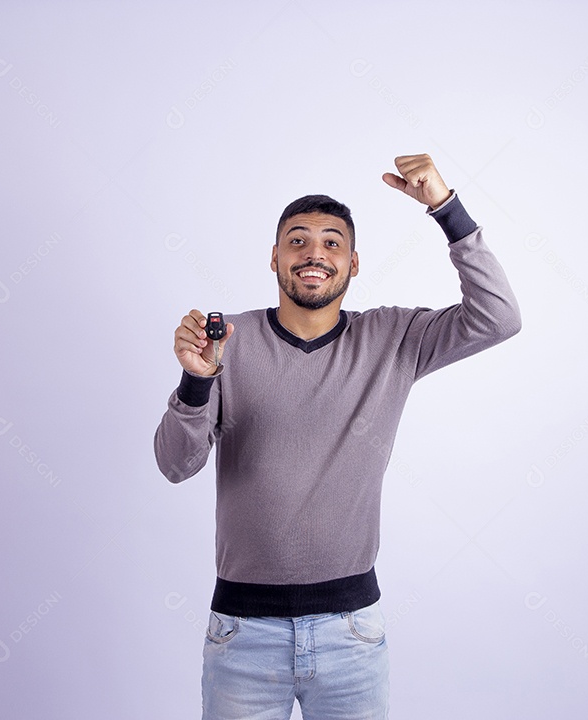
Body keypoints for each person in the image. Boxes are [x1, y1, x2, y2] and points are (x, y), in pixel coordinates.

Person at [154, 153, 521, 719]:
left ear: (353, 265)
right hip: (243, 634)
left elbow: (498, 317)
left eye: (332, 243)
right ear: (275, 258)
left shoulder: (393, 336)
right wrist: (196, 381)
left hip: (351, 634)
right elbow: (176, 465)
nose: (314, 254)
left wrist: (447, 210)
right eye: (297, 241)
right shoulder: (229, 340)